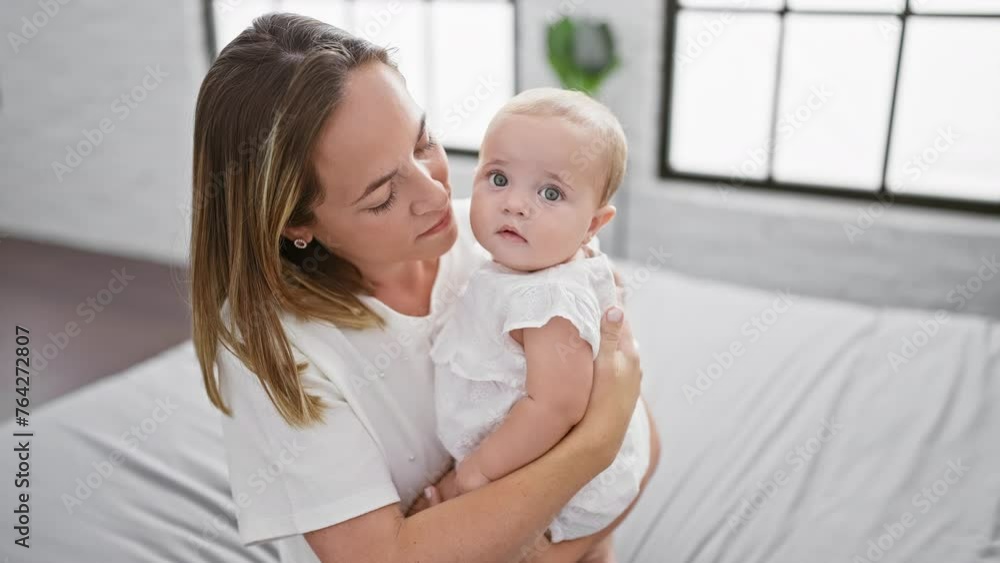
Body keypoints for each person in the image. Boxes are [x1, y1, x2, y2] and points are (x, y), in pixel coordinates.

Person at [190, 12, 660, 563]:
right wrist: (593, 445)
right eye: (382, 196)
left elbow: (640, 443)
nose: (436, 194)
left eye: (424, 142)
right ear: (296, 224)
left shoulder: (516, 245)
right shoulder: (270, 346)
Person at [430, 88, 653, 554]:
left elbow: (556, 407)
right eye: (497, 178)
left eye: (550, 192)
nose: (515, 203)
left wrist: (478, 471)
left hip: (560, 490)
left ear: (593, 224)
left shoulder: (549, 299)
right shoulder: (528, 266)